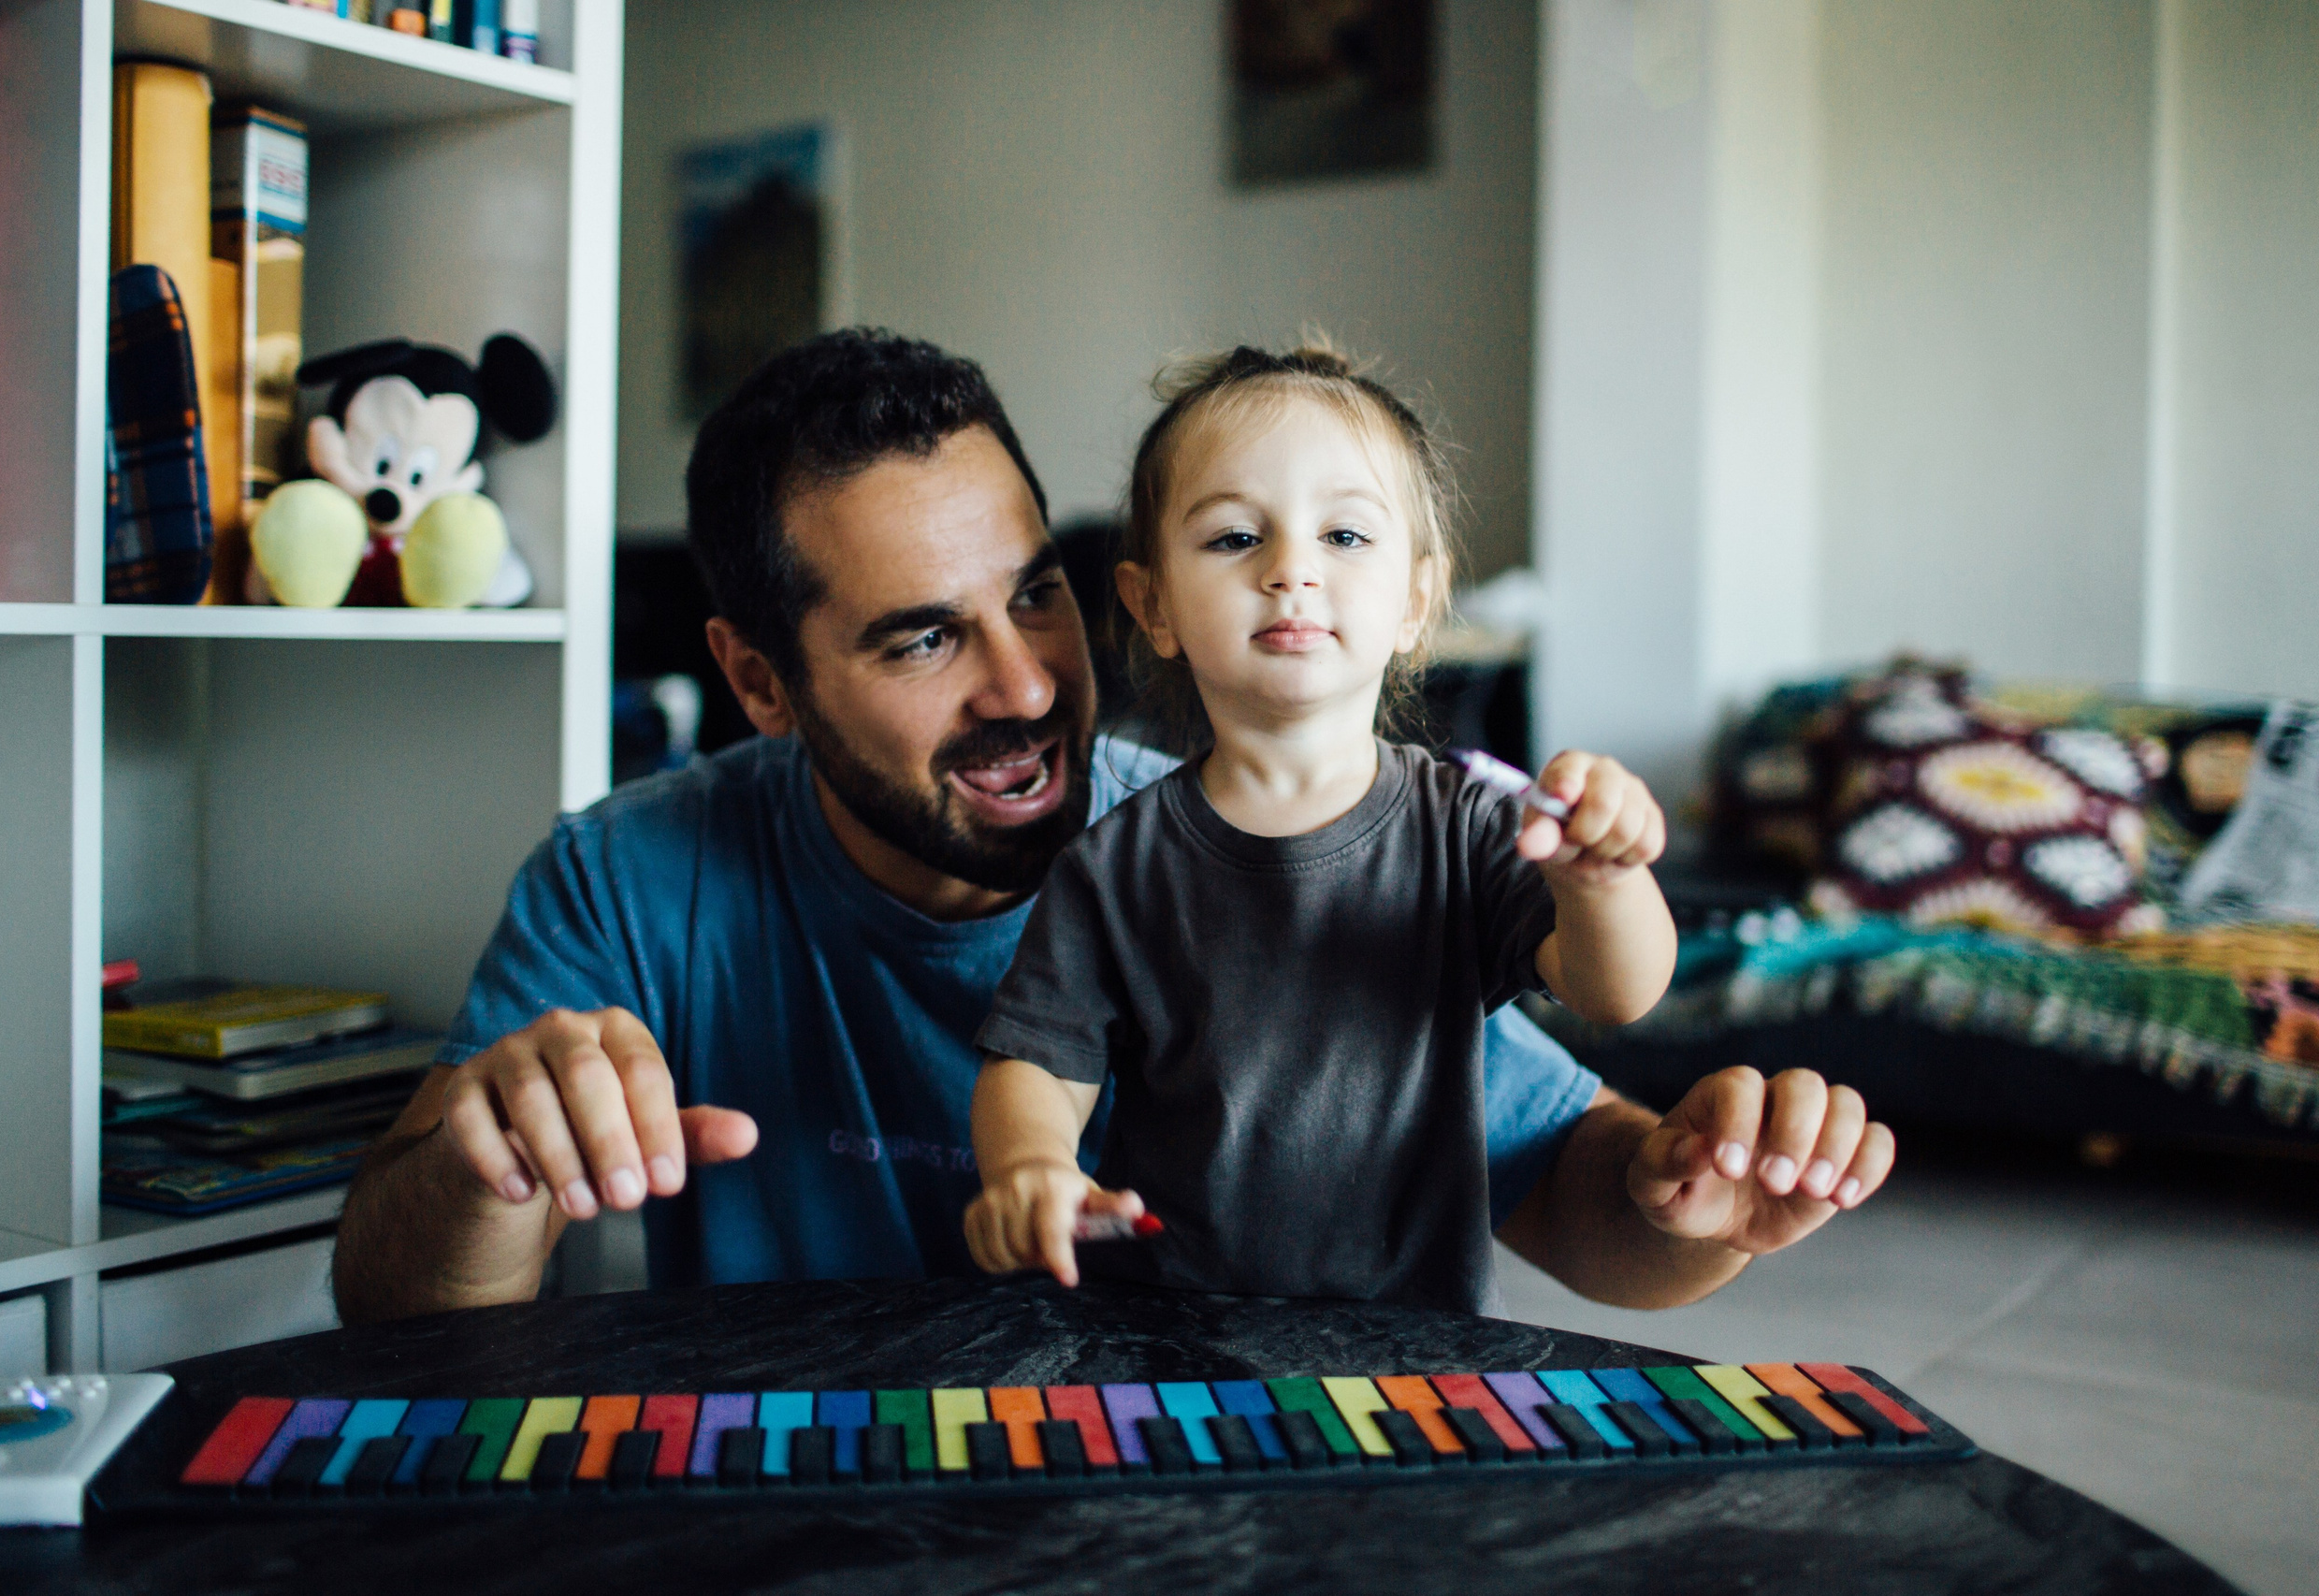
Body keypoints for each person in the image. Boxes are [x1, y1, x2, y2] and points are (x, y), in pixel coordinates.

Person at [328, 329, 1609, 1322]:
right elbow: (393, 1296)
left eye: (1036, 593)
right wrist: (489, 1159)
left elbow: (1568, 1177)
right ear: (760, 682)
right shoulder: (621, 879)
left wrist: (1718, 1173)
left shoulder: (1234, 842)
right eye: (926, 636)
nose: (1030, 684)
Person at [964, 342, 1893, 1312]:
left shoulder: (1470, 828)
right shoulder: (1117, 860)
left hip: (1412, 1344)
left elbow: (1619, 990)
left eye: (1346, 537)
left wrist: (1603, 881)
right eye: (1235, 538)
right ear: (1151, 604)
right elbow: (1037, 1060)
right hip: (1169, 1339)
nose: (1291, 570)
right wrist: (1030, 1165)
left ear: (1416, 600)